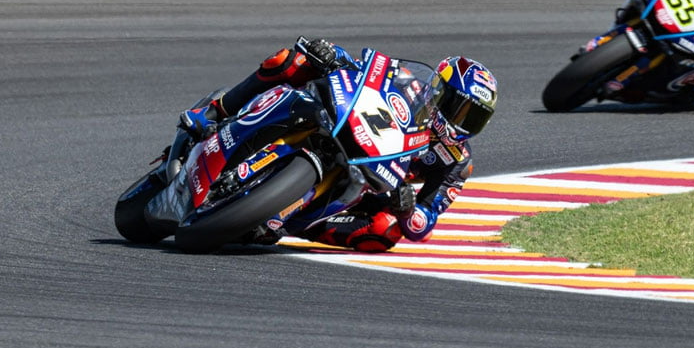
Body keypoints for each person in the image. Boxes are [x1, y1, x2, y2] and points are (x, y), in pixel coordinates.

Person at [178, 38, 498, 252]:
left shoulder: (457, 160)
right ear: (438, 90)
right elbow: (370, 74)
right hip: (348, 126)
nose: (462, 122)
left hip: (369, 186)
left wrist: (408, 207)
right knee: (290, 61)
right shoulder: (411, 87)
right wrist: (335, 56)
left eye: (474, 118)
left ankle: (285, 221)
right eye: (459, 108)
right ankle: (215, 112)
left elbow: (423, 225)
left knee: (385, 232)